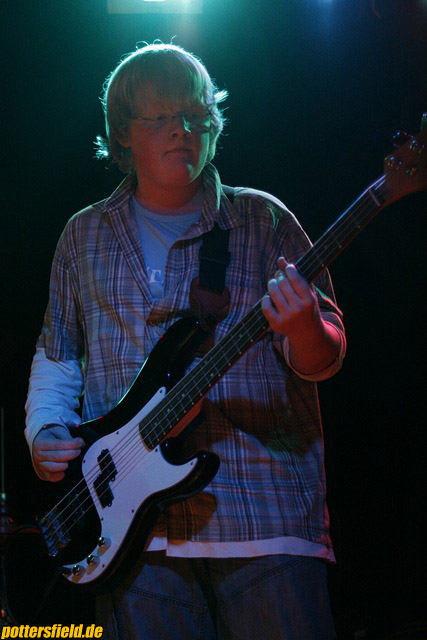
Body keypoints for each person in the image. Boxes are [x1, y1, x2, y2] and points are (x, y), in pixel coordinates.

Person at [25, 43, 346, 639]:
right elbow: (58, 353)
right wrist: (44, 429)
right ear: (124, 134)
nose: (182, 130)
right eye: (161, 117)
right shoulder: (83, 235)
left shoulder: (263, 220)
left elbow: (322, 360)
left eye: (196, 115)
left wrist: (306, 327)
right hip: (130, 533)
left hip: (264, 513)